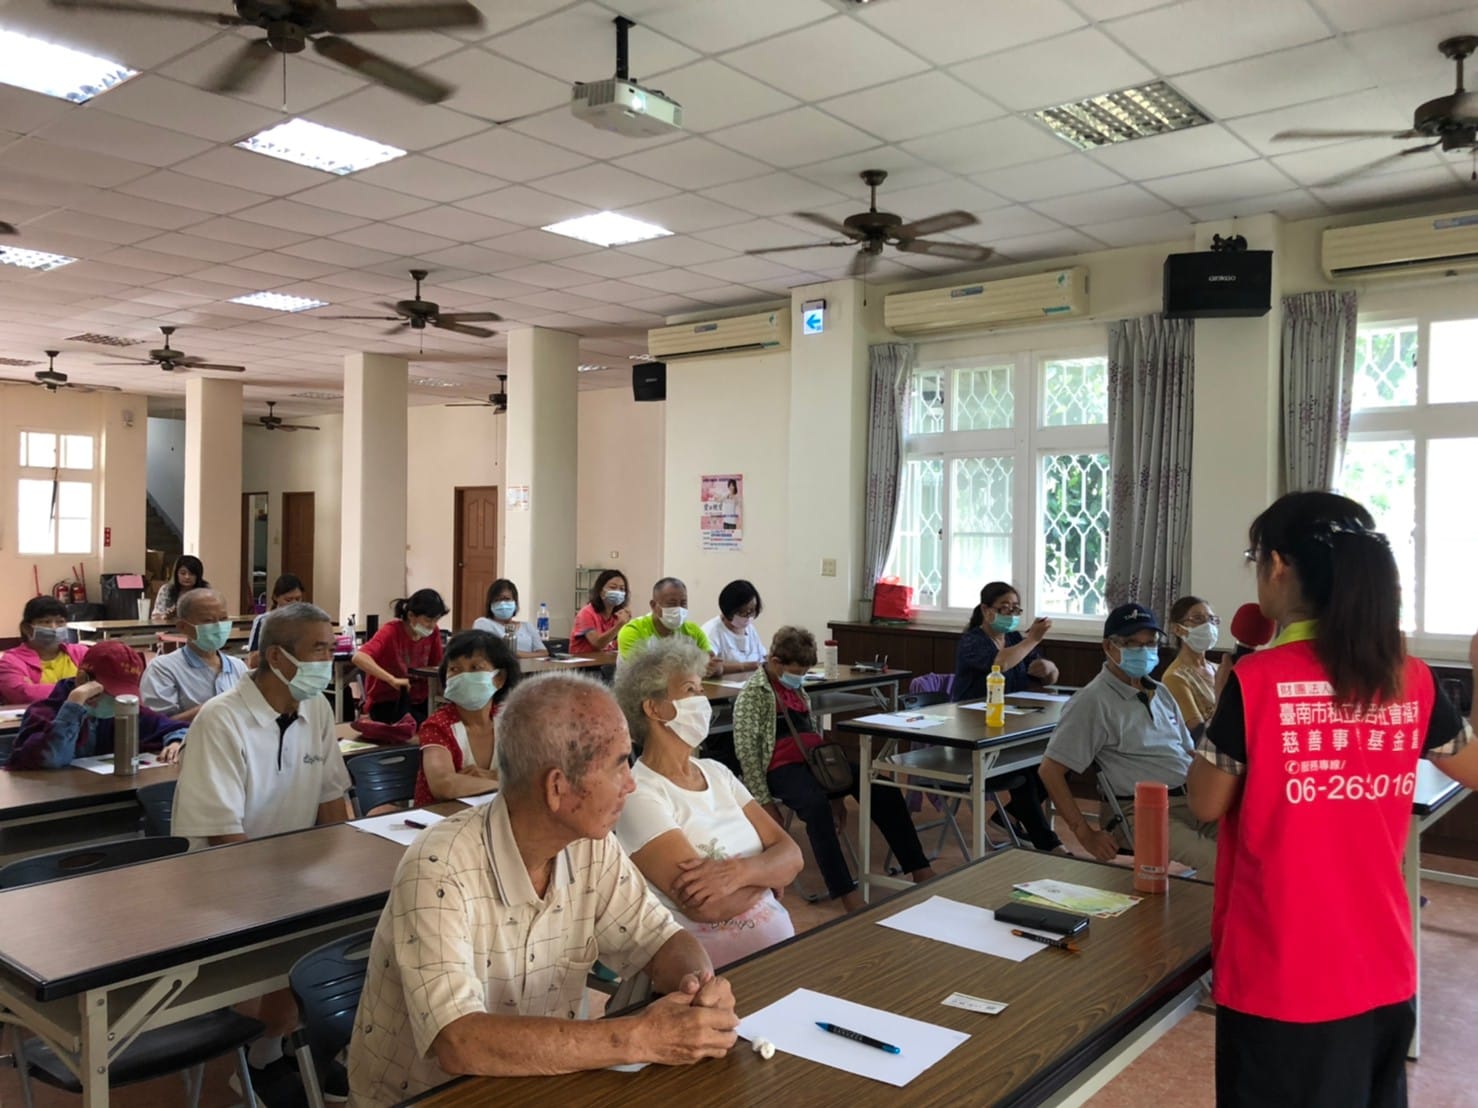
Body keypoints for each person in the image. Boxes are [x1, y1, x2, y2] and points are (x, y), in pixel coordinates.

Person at [1188, 492, 1478, 1108]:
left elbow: (1206, 804)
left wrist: (1223, 711)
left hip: (1280, 972)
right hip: (1381, 964)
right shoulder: (1410, 677)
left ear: (1277, 566)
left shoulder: (1258, 680)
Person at [346, 673, 739, 1106]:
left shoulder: (590, 845)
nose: (630, 783)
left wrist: (698, 987)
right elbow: (459, 1041)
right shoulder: (439, 867)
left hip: (540, 1082)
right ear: (557, 788)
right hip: (434, 1097)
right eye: (619, 764)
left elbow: (661, 939)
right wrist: (638, 1037)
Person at [172, 600, 353, 1085]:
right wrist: (287, 891)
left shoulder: (316, 707)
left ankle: (285, 1047)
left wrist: (349, 865)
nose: (329, 660)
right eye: (318, 649)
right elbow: (224, 834)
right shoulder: (221, 719)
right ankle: (265, 1056)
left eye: (331, 648)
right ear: (277, 657)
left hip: (290, 869)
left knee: (361, 919)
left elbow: (332, 799)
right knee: (309, 935)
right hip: (222, 876)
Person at [613, 638, 801, 966]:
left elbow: (792, 855)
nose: (702, 700)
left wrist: (738, 873)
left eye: (701, 689)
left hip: (780, 954)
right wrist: (768, 877)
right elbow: (706, 906)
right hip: (710, 974)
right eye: (690, 690)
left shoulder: (716, 772)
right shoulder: (639, 793)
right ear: (653, 708)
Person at [733, 626, 936, 913]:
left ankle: (919, 867)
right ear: (775, 662)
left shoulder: (797, 689)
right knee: (816, 808)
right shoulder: (753, 695)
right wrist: (764, 803)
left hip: (815, 760)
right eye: (796, 671)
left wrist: (837, 793)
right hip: (779, 768)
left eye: (805, 671)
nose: (800, 677)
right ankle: (845, 892)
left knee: (881, 789)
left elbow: (813, 732)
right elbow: (748, 754)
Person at [1037, 603, 1217, 874]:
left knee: (1254, 845)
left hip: (1192, 799)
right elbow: (1050, 770)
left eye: (1151, 643)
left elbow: (1189, 751)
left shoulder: (1160, 692)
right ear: (1108, 647)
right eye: (1132, 644)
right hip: (1142, 811)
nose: (1143, 650)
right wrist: (1084, 833)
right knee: (1220, 862)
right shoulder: (1092, 701)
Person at [950, 581, 1064, 851]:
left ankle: (1007, 816)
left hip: (1013, 724)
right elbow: (1000, 663)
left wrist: (1048, 668)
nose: (1011, 614)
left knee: (1059, 760)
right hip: (975, 730)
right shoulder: (972, 641)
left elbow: (1050, 676)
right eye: (1005, 608)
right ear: (986, 610)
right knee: (1024, 770)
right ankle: (1048, 843)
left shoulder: (1014, 639)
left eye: (1015, 608)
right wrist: (1033, 639)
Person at [7, 641, 186, 769]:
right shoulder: (43, 712)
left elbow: (175, 727)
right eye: (109, 691)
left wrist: (176, 741)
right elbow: (53, 759)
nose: (116, 699)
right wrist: (74, 705)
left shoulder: (122, 710)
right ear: (82, 679)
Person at [413, 630, 521, 807]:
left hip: (496, 814)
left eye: (475, 668)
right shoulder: (438, 725)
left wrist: (498, 780)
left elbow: (534, 774)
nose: (464, 676)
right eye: (454, 669)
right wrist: (505, 783)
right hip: (443, 818)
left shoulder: (510, 721)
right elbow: (443, 784)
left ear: (499, 678)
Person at [139, 587, 248, 723]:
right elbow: (159, 726)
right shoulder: (163, 669)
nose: (218, 626)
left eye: (223, 619)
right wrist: (217, 706)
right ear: (183, 626)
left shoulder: (238, 667)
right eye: (208, 620)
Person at [352, 589, 447, 725]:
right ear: (411, 615)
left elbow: (436, 666)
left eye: (436, 620)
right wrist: (392, 680)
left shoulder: (433, 633)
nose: (432, 625)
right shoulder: (390, 631)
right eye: (428, 620)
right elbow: (359, 657)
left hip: (420, 699)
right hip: (388, 700)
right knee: (420, 726)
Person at [617, 577, 718, 676]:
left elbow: (711, 660)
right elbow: (641, 671)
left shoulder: (693, 631)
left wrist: (715, 668)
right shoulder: (633, 631)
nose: (679, 609)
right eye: (671, 604)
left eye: (683, 603)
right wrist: (695, 667)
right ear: (653, 605)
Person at [0, 596, 88, 705]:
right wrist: (80, 689)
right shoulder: (10, 661)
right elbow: (23, 695)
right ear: (27, 628)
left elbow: (103, 685)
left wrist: (37, 688)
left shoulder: (81, 652)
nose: (54, 627)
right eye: (46, 622)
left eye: (60, 622)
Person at [1162, 594, 1219, 740]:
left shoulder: (1219, 669)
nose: (1208, 626)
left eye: (1211, 619)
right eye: (1198, 619)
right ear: (1177, 629)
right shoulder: (1175, 678)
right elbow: (1197, 732)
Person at [700, 579, 766, 676]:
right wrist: (745, 667)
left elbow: (762, 657)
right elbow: (708, 666)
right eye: (743, 613)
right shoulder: (711, 631)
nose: (748, 617)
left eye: (752, 611)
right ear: (729, 611)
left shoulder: (750, 629)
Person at [472, 578, 545, 657]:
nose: (502, 603)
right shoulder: (483, 623)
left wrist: (514, 654)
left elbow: (543, 652)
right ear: (490, 604)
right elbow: (489, 652)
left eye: (507, 599)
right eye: (497, 600)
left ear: (515, 602)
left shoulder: (527, 626)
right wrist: (517, 655)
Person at [246, 573, 304, 669]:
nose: (294, 604)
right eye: (288, 600)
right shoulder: (264, 621)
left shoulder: (307, 621)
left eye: (298, 599)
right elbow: (252, 661)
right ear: (275, 597)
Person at [569, 569, 632, 655]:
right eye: (613, 587)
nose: (618, 592)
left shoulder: (618, 614)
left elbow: (623, 644)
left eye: (622, 589)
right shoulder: (586, 613)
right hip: (585, 662)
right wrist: (619, 625)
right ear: (601, 591)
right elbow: (597, 643)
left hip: (606, 660)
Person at [151, 554, 207, 621]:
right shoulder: (166, 589)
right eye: (183, 573)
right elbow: (155, 617)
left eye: (192, 574)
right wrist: (165, 616)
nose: (187, 577)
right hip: (170, 626)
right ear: (176, 574)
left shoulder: (205, 591)